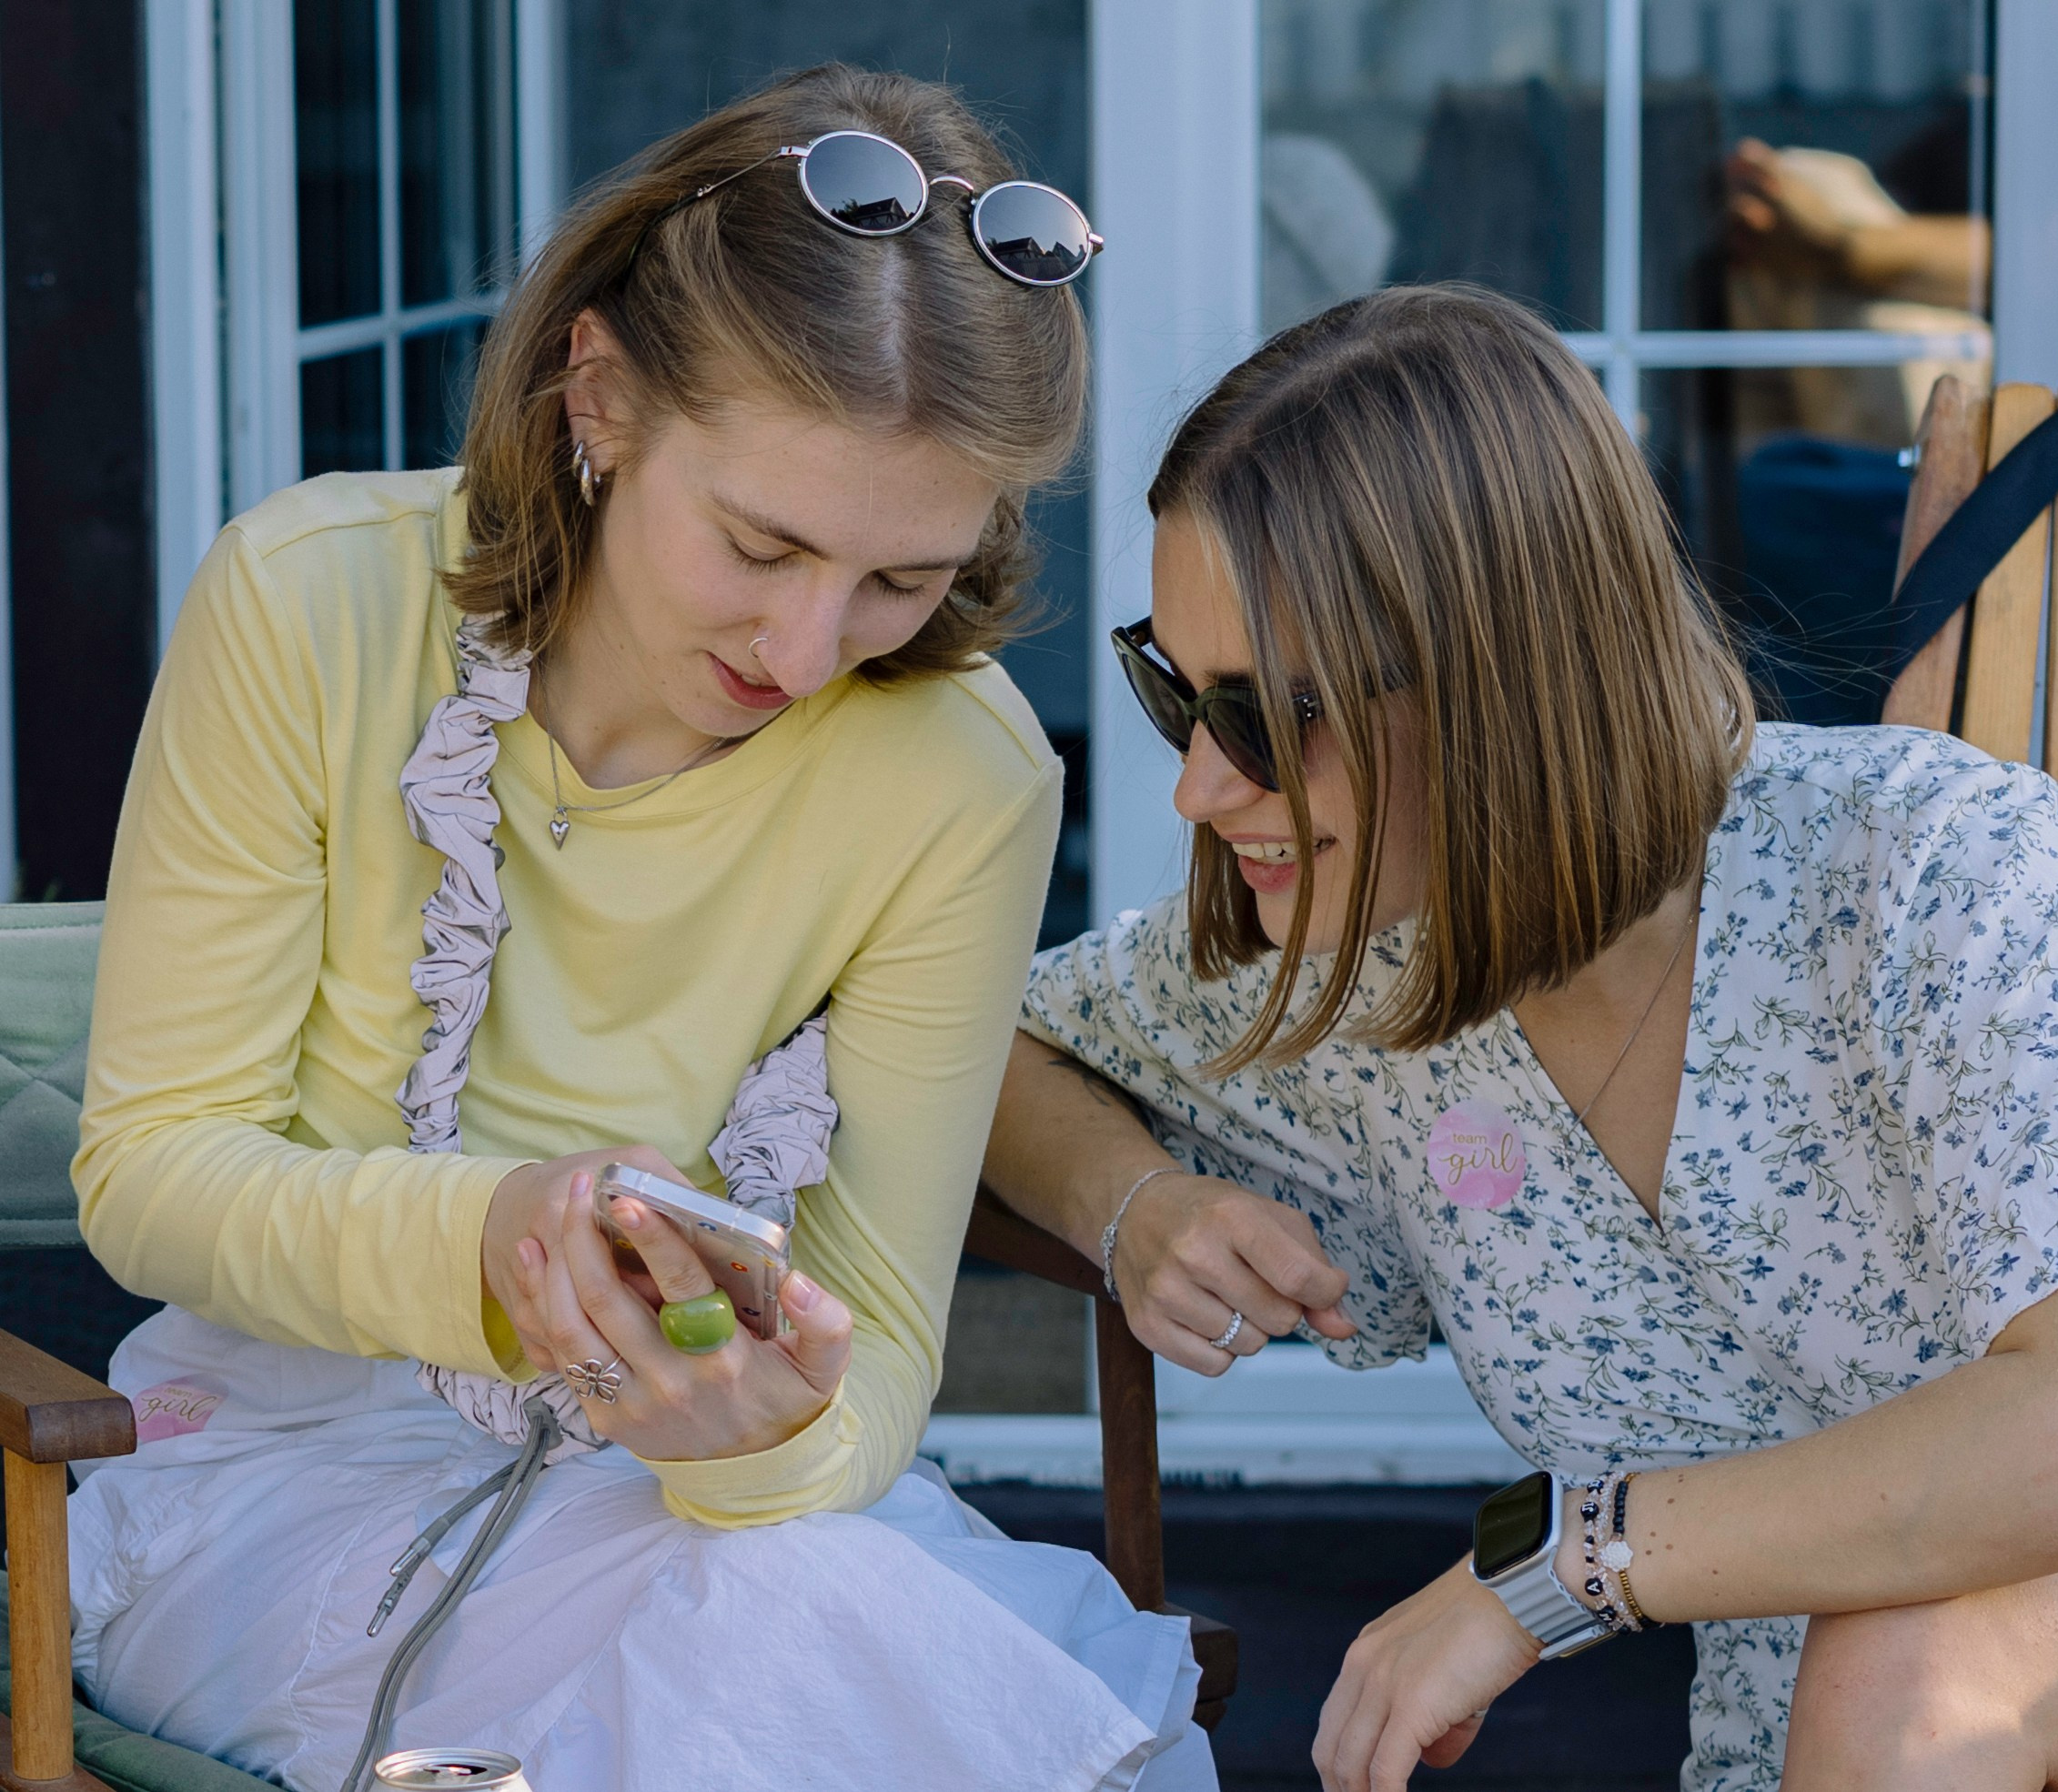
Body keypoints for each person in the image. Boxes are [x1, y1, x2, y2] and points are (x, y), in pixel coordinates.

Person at [70, 65, 1211, 1792]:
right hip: (273, 1476)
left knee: (798, 1629)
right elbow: (152, 1172)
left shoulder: (963, 775)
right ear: (595, 396)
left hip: (716, 1518)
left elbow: (885, 1341)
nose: (814, 644)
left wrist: (763, 1440)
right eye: (762, 542)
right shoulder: (307, 606)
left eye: (903, 579)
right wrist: (499, 1244)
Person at [984, 283, 2058, 1792]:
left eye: (1263, 717)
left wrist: (1562, 1561)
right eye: (1173, 692)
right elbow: (982, 1044)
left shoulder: (1935, 874)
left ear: (1499, 681)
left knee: (1917, 1654)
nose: (1198, 784)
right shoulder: (1364, 971)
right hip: (1803, 1761)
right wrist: (1136, 1206)